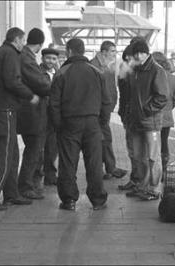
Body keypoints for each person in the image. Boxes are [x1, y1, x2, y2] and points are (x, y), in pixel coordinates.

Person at [0, 27, 39, 211]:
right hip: (5, 109)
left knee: (12, 152)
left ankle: (11, 194)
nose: (23, 44)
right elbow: (12, 81)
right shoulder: (11, 54)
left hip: (2, 107)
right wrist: (30, 95)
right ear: (17, 40)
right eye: (23, 40)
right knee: (4, 153)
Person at [50, 38, 110, 211]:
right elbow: (107, 101)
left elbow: (54, 103)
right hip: (93, 122)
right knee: (94, 163)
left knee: (68, 163)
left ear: (69, 51)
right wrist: (101, 122)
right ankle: (98, 199)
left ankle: (69, 200)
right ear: (83, 51)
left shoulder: (62, 72)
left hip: (69, 123)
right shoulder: (97, 71)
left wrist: (58, 125)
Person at [126, 40, 168, 200]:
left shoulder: (157, 70)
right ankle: (142, 186)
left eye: (140, 53)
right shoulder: (135, 70)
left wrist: (146, 110)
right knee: (138, 156)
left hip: (151, 121)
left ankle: (154, 187)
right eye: (135, 53)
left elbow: (162, 96)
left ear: (147, 53)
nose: (138, 56)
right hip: (136, 121)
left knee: (152, 156)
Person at [16, 28, 51, 200]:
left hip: (29, 111)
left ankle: (28, 183)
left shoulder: (23, 56)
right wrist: (51, 85)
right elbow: (42, 84)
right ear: (39, 45)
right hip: (31, 112)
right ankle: (25, 186)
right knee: (34, 149)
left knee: (34, 149)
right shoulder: (27, 58)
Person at [90, 41, 127, 180]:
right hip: (98, 109)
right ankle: (107, 168)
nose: (115, 54)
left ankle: (108, 168)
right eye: (112, 51)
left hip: (105, 108)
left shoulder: (108, 66)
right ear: (104, 52)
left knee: (104, 139)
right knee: (102, 139)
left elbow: (111, 88)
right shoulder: (94, 66)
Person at [151, 52, 175, 182]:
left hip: (152, 117)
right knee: (164, 144)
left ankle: (154, 173)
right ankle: (163, 169)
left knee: (152, 146)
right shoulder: (172, 78)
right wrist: (169, 108)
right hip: (167, 118)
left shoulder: (152, 76)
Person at [33, 47, 60, 188]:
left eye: (54, 59)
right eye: (48, 58)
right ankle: (36, 175)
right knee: (38, 147)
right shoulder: (37, 72)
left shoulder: (59, 74)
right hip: (40, 115)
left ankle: (50, 175)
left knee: (52, 147)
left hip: (54, 116)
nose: (51, 61)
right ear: (42, 59)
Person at [117, 44, 140, 191]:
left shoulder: (140, 73)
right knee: (133, 149)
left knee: (136, 150)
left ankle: (138, 180)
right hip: (128, 115)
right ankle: (137, 178)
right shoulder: (125, 72)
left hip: (136, 116)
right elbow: (123, 94)